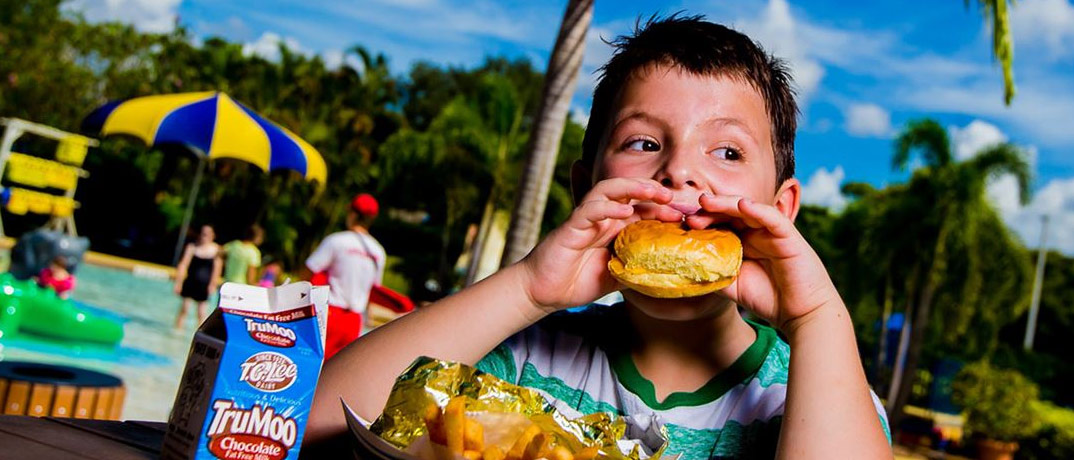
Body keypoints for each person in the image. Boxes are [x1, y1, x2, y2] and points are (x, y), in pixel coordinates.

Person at [306, 16, 891, 458]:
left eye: (728, 151)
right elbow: (315, 422)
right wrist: (527, 290)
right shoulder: (525, 357)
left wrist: (816, 317)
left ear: (781, 210)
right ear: (587, 186)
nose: (679, 170)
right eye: (643, 142)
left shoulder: (818, 390)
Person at [304, 193, 386, 359]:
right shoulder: (378, 252)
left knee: (313, 363)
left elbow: (308, 271)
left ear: (353, 214)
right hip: (355, 320)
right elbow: (373, 290)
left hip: (329, 314)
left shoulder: (337, 241)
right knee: (336, 370)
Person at [173, 224, 222, 330]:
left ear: (212, 235)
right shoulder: (192, 247)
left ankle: (200, 334)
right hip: (190, 282)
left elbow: (217, 270)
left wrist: (213, 285)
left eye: (207, 234)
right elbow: (183, 264)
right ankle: (177, 331)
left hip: (204, 285)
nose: (204, 236)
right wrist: (178, 283)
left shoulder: (216, 249)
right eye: (203, 233)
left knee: (201, 313)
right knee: (184, 309)